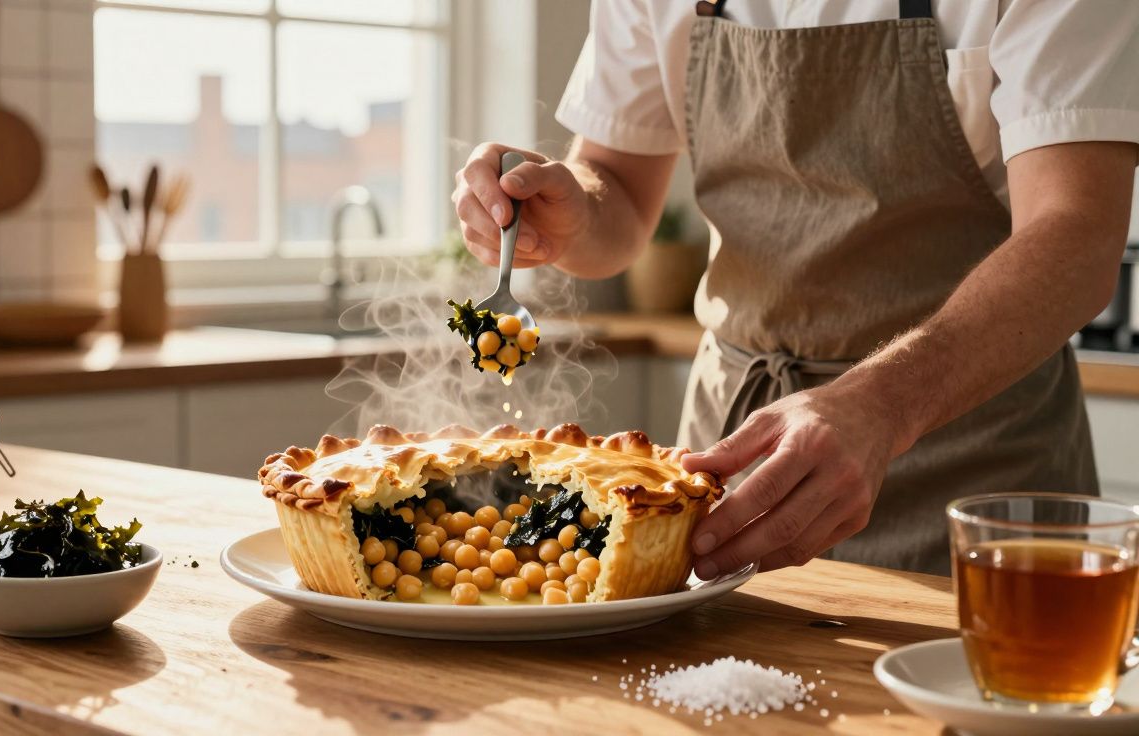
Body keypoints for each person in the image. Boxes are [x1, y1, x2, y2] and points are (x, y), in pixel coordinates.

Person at [451, 0, 1139, 576]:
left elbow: (1075, 235)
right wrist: (572, 210)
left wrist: (882, 406)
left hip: (976, 475)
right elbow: (618, 195)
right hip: (737, 466)